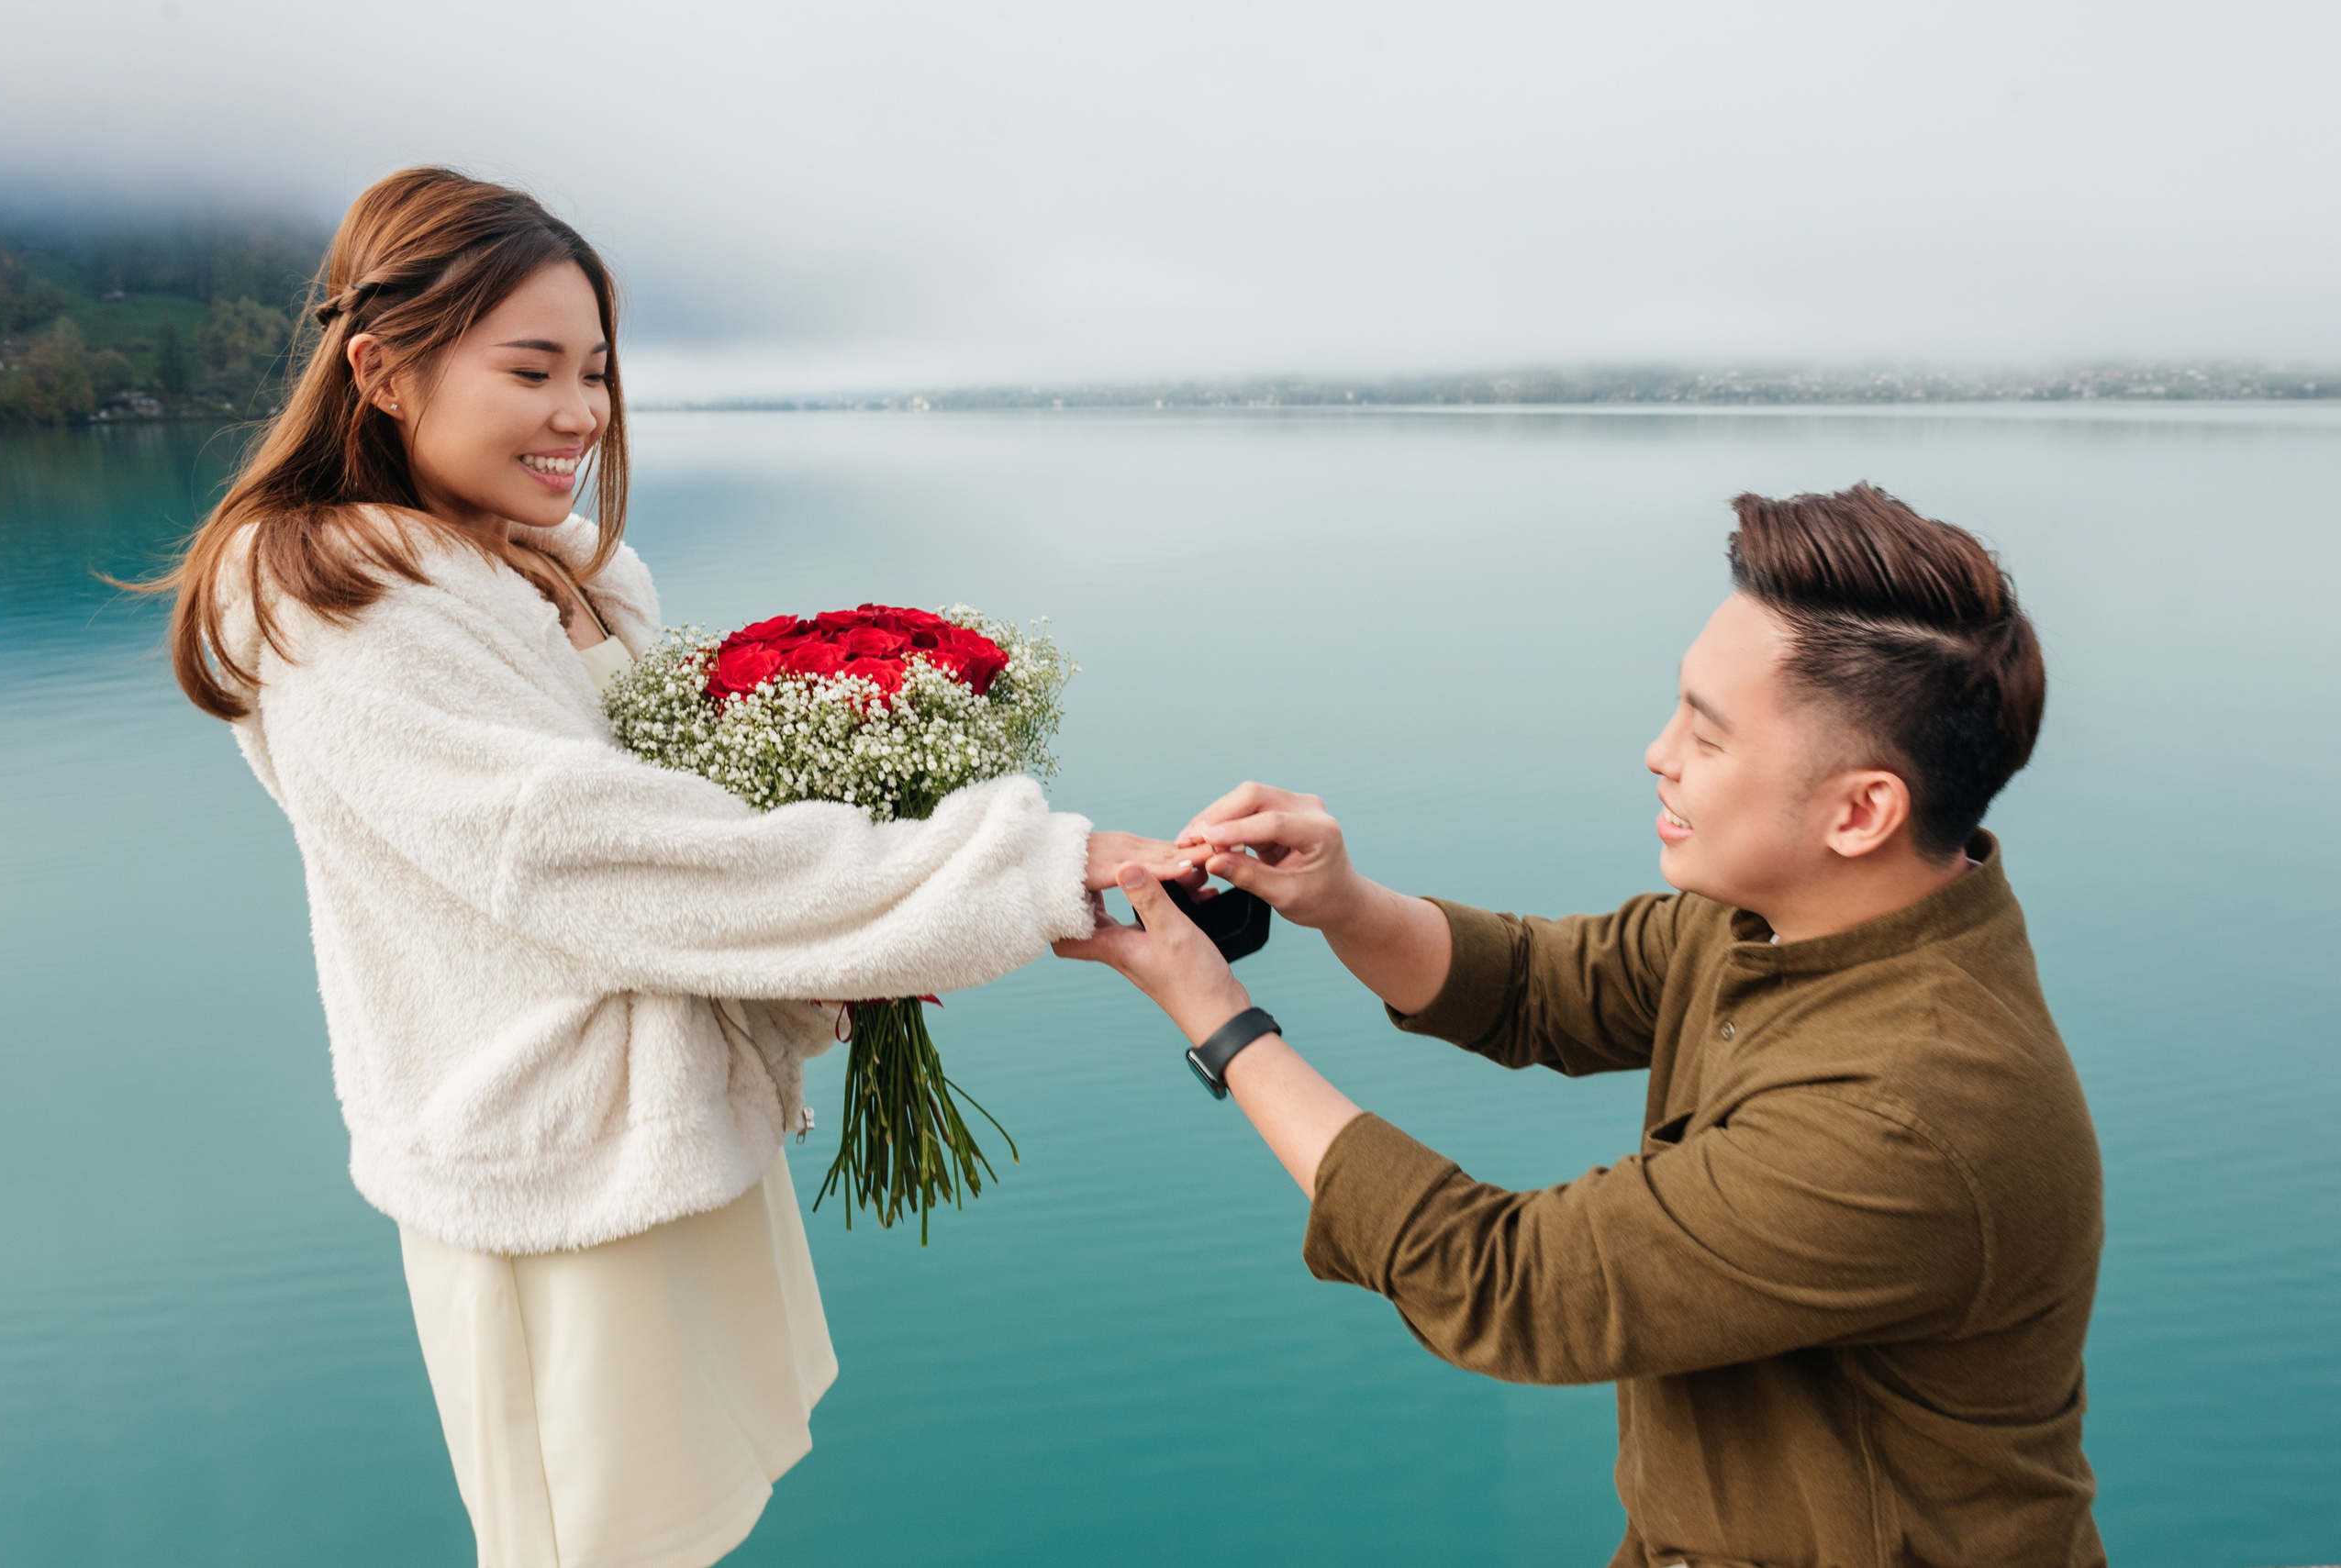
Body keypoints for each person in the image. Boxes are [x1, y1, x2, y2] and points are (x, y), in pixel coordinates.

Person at [146, 167, 1189, 1568]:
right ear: (381, 372)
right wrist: (1018, 871)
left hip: (647, 1142)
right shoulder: (340, 603)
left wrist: (842, 951)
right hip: (552, 1178)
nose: (581, 411)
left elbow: (675, 836)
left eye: (597, 369)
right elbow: (604, 857)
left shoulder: (543, 570)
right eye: (533, 368)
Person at [1060, 484, 2106, 1567]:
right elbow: (1543, 985)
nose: (1658, 752)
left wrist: (1222, 1022)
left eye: (1706, 734)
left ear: (1860, 811)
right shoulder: (1791, 915)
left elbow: (1509, 1283)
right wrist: (1344, 900)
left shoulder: (1908, 1115)